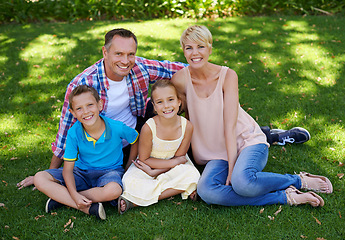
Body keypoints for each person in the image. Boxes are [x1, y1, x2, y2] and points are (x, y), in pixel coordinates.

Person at [17, 28, 310, 190]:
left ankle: (267, 134)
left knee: (192, 120)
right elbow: (66, 131)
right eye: (118, 53)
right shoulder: (83, 84)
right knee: (113, 169)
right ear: (104, 53)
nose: (125, 60)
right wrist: (49, 171)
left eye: (130, 53)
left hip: (138, 127)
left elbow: (192, 68)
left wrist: (221, 93)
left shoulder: (140, 66)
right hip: (116, 142)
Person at [171, 25, 333, 207]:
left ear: (210, 48)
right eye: (189, 48)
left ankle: (298, 181)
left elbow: (230, 126)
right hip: (215, 154)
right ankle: (286, 196)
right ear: (183, 51)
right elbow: (175, 112)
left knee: (242, 183)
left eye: (201, 46)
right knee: (207, 191)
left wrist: (232, 168)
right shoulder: (180, 80)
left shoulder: (227, 76)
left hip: (245, 141)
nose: (195, 53)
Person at [34, 85, 139, 220]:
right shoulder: (74, 132)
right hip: (81, 172)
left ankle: (61, 199)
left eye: (90, 105)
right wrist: (74, 194)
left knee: (114, 190)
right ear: (73, 113)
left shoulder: (116, 127)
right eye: (79, 108)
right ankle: (88, 208)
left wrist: (129, 166)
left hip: (110, 172)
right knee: (39, 178)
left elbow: (135, 139)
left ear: (100, 105)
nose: (85, 112)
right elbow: (67, 170)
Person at [118, 80, 200, 214]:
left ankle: (135, 201)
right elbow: (144, 159)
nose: (166, 106)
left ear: (179, 101)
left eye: (170, 100)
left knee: (193, 174)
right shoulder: (149, 128)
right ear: (154, 106)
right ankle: (183, 188)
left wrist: (157, 172)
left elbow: (180, 157)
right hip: (148, 165)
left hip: (174, 166)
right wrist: (152, 171)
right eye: (160, 102)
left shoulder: (187, 126)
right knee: (130, 181)